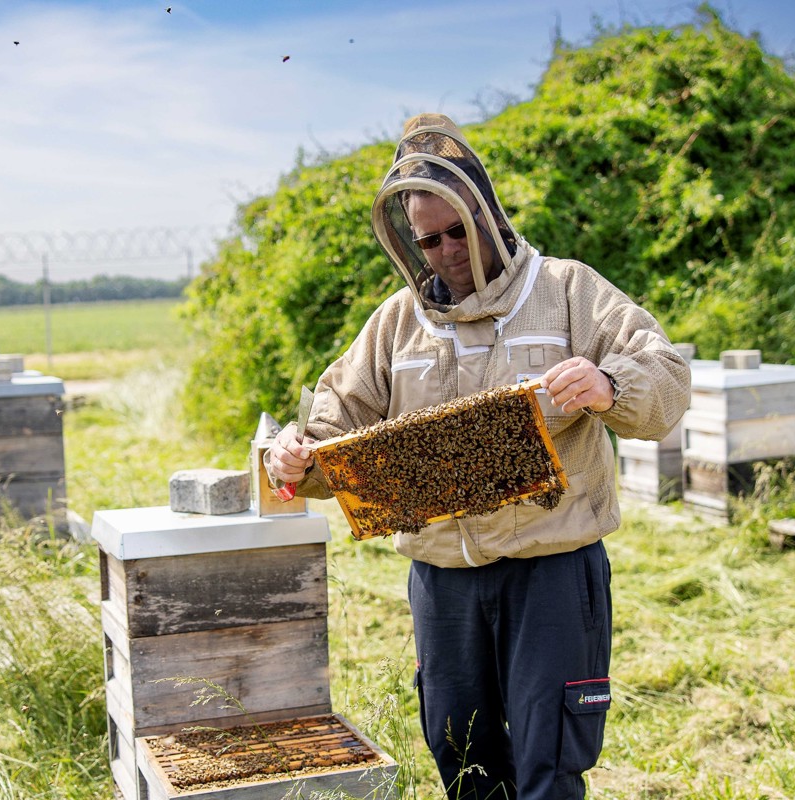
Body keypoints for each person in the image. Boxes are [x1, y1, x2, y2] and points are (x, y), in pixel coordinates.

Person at [268, 113, 691, 799]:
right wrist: (296, 454)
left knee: (547, 766)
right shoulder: (396, 324)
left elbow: (667, 379)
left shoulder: (567, 291)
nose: (444, 252)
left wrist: (608, 385)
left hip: (549, 575)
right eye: (428, 240)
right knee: (463, 761)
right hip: (444, 585)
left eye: (456, 232)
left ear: (488, 216)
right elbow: (330, 426)